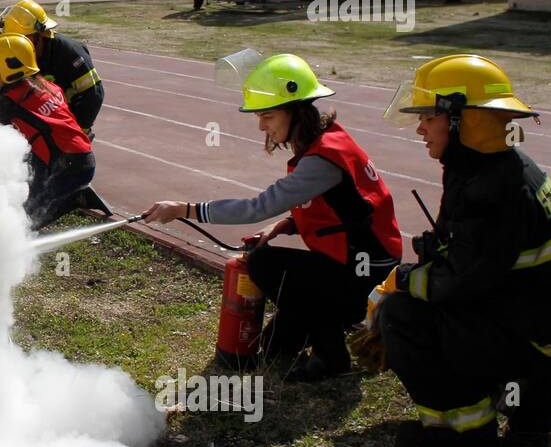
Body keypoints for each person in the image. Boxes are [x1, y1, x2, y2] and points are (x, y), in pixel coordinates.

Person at [144, 50, 403, 379]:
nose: (260, 126)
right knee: (276, 346)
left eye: (267, 116)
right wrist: (286, 224)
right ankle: (325, 321)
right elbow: (346, 207)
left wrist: (185, 209)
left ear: (295, 110)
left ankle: (332, 357)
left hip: (365, 274)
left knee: (263, 265)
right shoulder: (326, 140)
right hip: (361, 263)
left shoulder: (320, 159)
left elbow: (258, 206)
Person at [372, 55, 551, 447]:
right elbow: (470, 258)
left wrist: (397, 282)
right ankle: (534, 399)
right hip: (540, 331)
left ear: (463, 119)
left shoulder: (491, 190)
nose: (420, 128)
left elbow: (456, 282)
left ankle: (462, 432)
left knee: (401, 316)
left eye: (428, 116)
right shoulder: (497, 166)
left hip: (533, 340)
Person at [0, 34, 96, 228]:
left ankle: (76, 196)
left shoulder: (12, 101)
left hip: (67, 167)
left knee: (27, 221)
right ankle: (77, 193)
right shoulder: (49, 86)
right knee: (27, 200)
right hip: (76, 157)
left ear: (9, 68)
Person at [0, 0, 104, 138]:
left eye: (22, 39)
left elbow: (93, 94)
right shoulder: (10, 53)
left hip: (66, 125)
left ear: (40, 35)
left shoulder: (69, 52)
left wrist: (76, 132)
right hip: (29, 130)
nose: (17, 45)